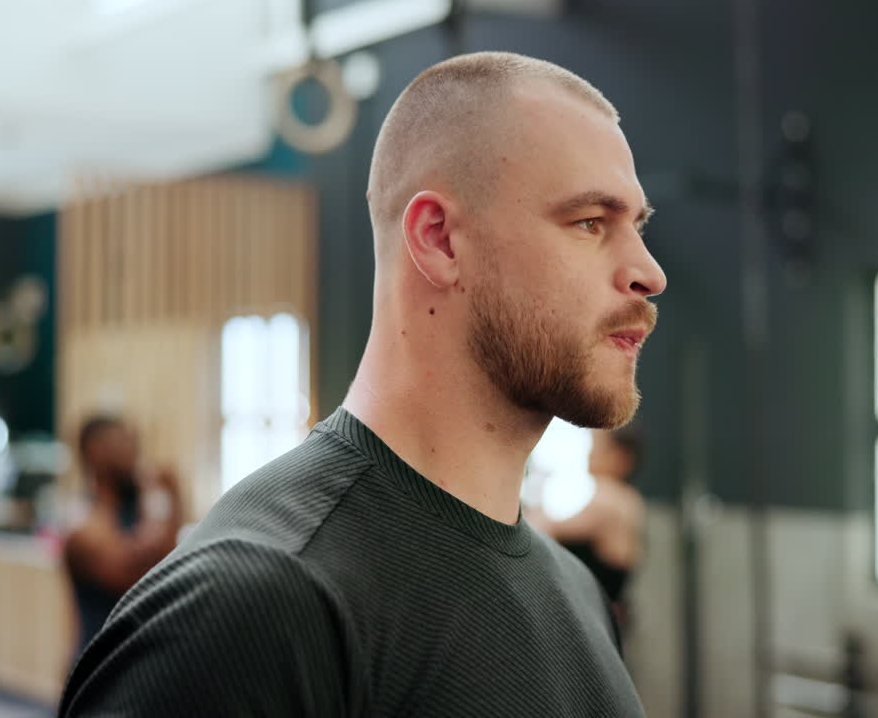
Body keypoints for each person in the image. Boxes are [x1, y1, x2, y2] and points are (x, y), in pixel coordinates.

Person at [59, 51, 666, 717]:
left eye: (636, 227)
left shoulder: (575, 592)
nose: (648, 272)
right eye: (589, 222)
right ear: (438, 240)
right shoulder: (258, 606)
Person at [62, 415, 182, 654]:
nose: (134, 451)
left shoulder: (136, 511)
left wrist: (173, 500)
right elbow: (136, 579)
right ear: (96, 453)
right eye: (123, 443)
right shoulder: (83, 523)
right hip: (99, 663)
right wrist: (174, 503)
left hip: (138, 658)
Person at [528, 427, 646, 622]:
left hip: (591, 619)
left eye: (598, 447)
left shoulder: (613, 500)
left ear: (621, 457)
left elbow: (540, 528)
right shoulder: (621, 499)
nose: (590, 453)